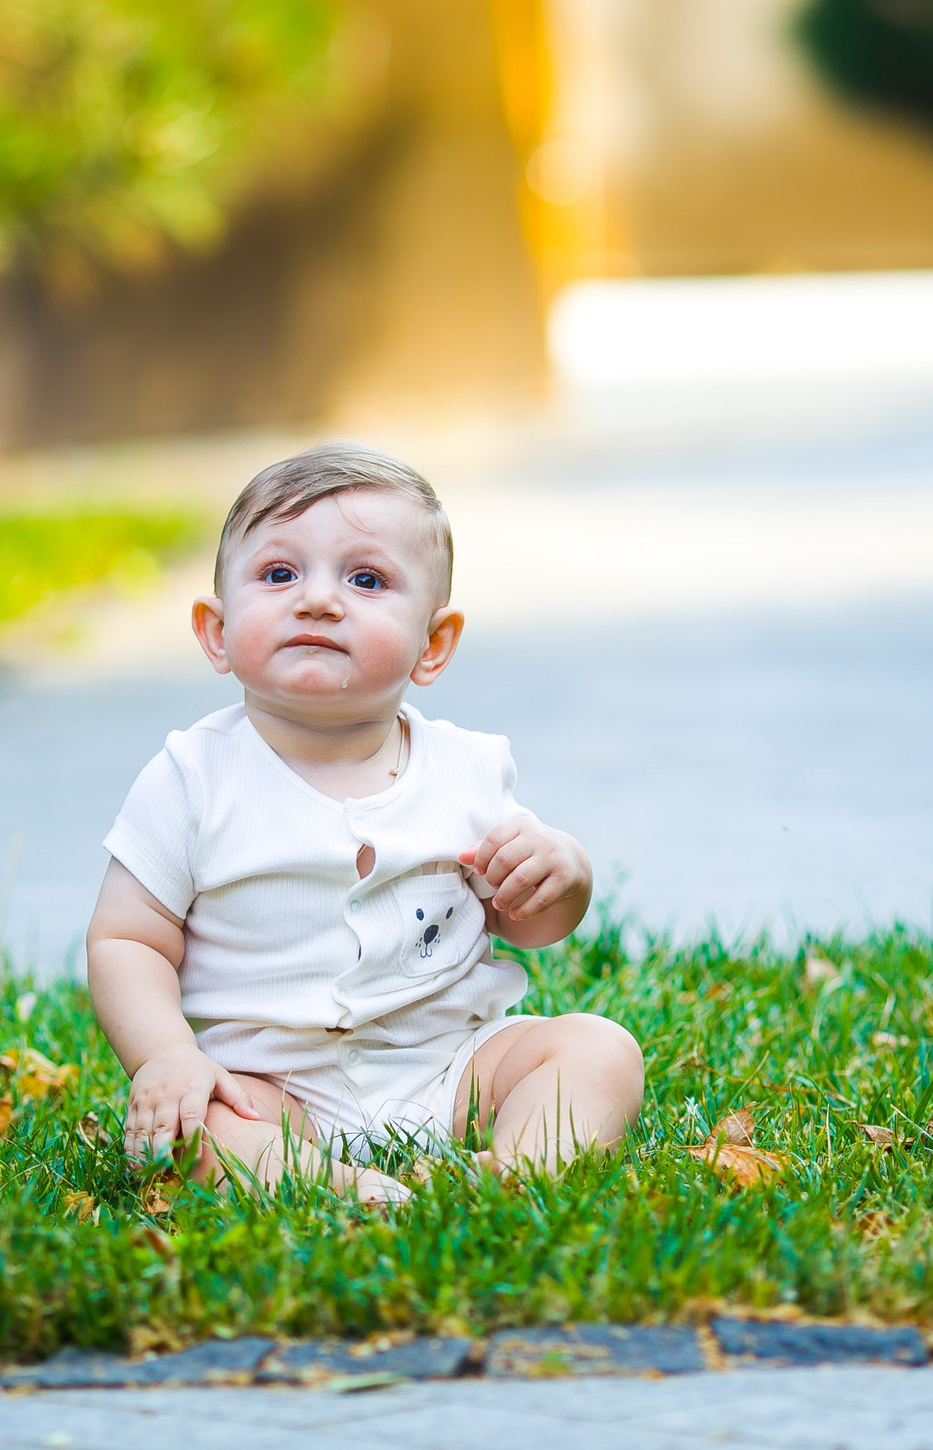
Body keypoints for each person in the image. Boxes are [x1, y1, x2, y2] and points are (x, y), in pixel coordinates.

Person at [83, 443, 644, 1200]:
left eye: (366, 578)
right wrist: (166, 1055)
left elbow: (529, 922)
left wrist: (561, 872)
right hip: (272, 1087)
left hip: (454, 1067)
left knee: (598, 1048)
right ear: (216, 631)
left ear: (433, 644)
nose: (317, 600)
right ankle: (332, 1185)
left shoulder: (466, 770)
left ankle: (516, 1174)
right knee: (198, 1132)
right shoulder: (192, 778)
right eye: (280, 574)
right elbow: (127, 937)